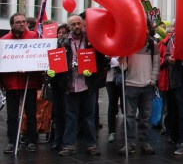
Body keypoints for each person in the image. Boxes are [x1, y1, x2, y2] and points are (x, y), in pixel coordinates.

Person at [55, 15, 109, 156]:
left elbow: (103, 61)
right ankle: (69, 145)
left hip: (88, 85)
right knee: (71, 116)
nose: (77, 26)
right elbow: (57, 61)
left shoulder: (92, 41)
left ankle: (91, 145)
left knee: (89, 116)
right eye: (73, 24)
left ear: (83, 24)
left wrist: (93, 72)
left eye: (79, 23)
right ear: (69, 26)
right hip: (70, 84)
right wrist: (54, 71)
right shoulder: (62, 41)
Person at [2, 13, 42, 153]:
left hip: (29, 81)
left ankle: (31, 140)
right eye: (18, 22)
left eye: (24, 21)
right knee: (12, 115)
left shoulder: (34, 37)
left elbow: (40, 56)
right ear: (12, 24)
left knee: (31, 113)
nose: (22, 24)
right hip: (11, 82)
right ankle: (13, 141)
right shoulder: (4, 40)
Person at [117, 27, 159, 155]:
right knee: (129, 116)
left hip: (147, 85)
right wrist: (121, 61)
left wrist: (152, 80)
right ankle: (130, 143)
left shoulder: (153, 44)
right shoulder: (128, 44)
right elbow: (123, 67)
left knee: (145, 117)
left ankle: (144, 142)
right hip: (131, 84)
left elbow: (156, 63)